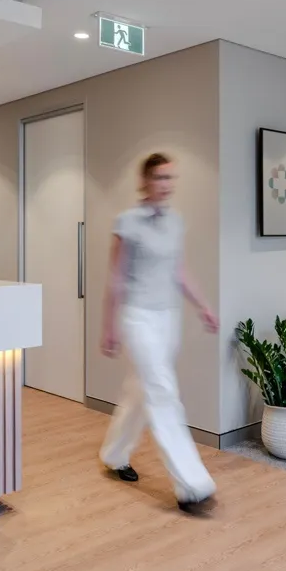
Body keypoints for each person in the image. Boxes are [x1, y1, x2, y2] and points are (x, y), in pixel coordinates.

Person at [99, 152, 219, 514]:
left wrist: (203, 306)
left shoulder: (176, 222)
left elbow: (178, 271)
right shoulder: (127, 222)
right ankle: (191, 484)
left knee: (142, 390)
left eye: (171, 178)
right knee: (163, 391)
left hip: (168, 318)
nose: (167, 185)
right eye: (160, 178)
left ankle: (114, 454)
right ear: (146, 181)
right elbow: (116, 278)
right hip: (137, 317)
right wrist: (109, 326)